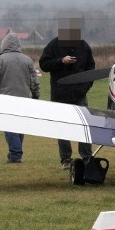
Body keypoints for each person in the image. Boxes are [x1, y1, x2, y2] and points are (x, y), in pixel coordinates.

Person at [39, 17, 96, 169]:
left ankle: (86, 157)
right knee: (62, 127)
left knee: (84, 126)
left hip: (79, 94)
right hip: (60, 94)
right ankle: (66, 159)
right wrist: (61, 61)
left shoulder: (84, 47)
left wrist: (84, 88)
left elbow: (91, 70)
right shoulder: (53, 45)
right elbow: (43, 64)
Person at [0, 32, 40, 163]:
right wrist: (36, 95)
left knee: (9, 126)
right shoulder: (27, 60)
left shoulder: (0, 60)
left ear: (4, 45)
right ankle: (15, 151)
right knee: (19, 126)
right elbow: (35, 81)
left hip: (6, 99)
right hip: (24, 98)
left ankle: (15, 154)